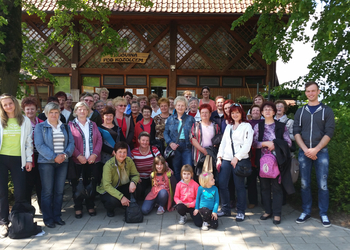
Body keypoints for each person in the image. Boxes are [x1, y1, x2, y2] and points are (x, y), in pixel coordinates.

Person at [293, 82, 335, 227]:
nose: (310, 93)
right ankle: (306, 211)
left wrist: (315, 149)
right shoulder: (300, 111)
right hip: (304, 151)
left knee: (322, 184)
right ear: (305, 93)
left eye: (313, 91)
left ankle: (323, 213)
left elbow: (329, 132)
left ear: (318, 91)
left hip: (321, 152)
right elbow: (296, 132)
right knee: (304, 184)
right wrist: (306, 150)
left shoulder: (326, 110)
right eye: (308, 91)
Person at [34, 102, 75, 228]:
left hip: (63, 162)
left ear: (59, 113)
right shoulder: (40, 127)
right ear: (46, 113)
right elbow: (39, 145)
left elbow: (71, 143)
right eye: (51, 112)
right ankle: (48, 218)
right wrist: (54, 157)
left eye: (56, 112)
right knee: (47, 192)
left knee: (59, 191)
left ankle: (57, 216)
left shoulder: (65, 127)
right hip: (46, 163)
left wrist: (64, 155)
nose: (53, 114)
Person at [253, 101, 292, 225]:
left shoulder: (281, 126)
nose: (268, 111)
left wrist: (275, 144)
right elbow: (253, 143)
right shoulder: (258, 126)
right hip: (263, 161)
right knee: (264, 187)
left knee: (277, 187)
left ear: (274, 112)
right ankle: (267, 211)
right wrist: (264, 143)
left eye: (270, 109)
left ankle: (277, 213)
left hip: (277, 161)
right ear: (262, 112)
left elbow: (289, 143)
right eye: (265, 109)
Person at [0, 94, 33, 238]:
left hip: (18, 159)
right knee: (2, 193)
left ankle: (18, 220)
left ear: (15, 103)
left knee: (20, 192)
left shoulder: (24, 120)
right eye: (4, 105)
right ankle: (3, 222)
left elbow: (28, 142)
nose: (8, 107)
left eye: (10, 103)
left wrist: (29, 160)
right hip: (1, 159)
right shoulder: (0, 120)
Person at [216, 103, 253, 221]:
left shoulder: (247, 126)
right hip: (226, 158)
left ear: (241, 113)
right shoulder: (228, 127)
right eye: (232, 113)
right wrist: (219, 157)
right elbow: (223, 143)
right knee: (222, 183)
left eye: (237, 112)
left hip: (240, 159)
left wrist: (237, 157)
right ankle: (225, 209)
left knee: (239, 186)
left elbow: (247, 144)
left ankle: (241, 211)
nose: (235, 115)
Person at [68, 102, 103, 219]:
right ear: (75, 111)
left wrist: (94, 154)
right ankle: (78, 207)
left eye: (84, 109)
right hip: (77, 161)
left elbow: (99, 140)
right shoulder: (70, 125)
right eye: (79, 109)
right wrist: (78, 155)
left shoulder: (93, 124)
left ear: (88, 111)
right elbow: (69, 142)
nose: (82, 111)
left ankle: (90, 205)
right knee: (77, 185)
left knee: (91, 184)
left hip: (92, 161)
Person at [97, 141, 140, 217]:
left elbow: (136, 175)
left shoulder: (129, 160)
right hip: (109, 189)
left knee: (139, 188)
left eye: (124, 152)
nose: (122, 154)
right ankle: (110, 209)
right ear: (114, 152)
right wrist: (121, 197)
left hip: (123, 185)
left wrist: (133, 182)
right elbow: (107, 186)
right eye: (120, 152)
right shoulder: (108, 165)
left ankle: (125, 204)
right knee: (113, 200)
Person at [164, 96, 196, 181]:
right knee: (177, 170)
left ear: (186, 107)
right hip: (175, 147)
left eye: (182, 105)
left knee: (188, 169)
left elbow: (194, 134)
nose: (180, 107)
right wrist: (170, 143)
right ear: (175, 106)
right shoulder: (170, 119)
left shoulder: (190, 119)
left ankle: (189, 191)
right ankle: (179, 190)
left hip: (187, 147)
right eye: (178, 105)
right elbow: (165, 133)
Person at [21, 96, 44, 211]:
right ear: (24, 110)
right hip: (26, 158)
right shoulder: (20, 123)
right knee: (27, 186)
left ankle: (43, 208)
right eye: (27, 109)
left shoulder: (42, 123)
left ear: (36, 110)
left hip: (41, 157)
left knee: (41, 185)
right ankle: (28, 211)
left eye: (32, 109)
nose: (30, 111)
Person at [190, 104, 221, 177]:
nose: (204, 114)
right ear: (200, 114)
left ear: (210, 114)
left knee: (210, 176)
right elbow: (192, 139)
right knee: (199, 176)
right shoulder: (195, 125)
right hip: (198, 155)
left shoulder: (215, 126)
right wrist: (203, 150)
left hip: (211, 155)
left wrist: (210, 150)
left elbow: (218, 139)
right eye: (202, 112)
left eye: (206, 112)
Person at [131, 132, 160, 201]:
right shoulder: (134, 152)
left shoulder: (154, 149)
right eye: (143, 140)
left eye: (147, 140)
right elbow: (130, 167)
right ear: (139, 141)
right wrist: (135, 177)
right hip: (140, 178)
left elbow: (162, 162)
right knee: (138, 190)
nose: (145, 142)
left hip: (153, 177)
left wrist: (168, 168)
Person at [247, 104, 263, 209]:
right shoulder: (246, 123)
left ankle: (264, 201)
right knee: (251, 180)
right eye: (254, 110)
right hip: (250, 154)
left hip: (262, 154)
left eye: (258, 110)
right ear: (251, 112)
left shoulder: (264, 123)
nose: (256, 112)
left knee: (263, 180)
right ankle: (252, 201)